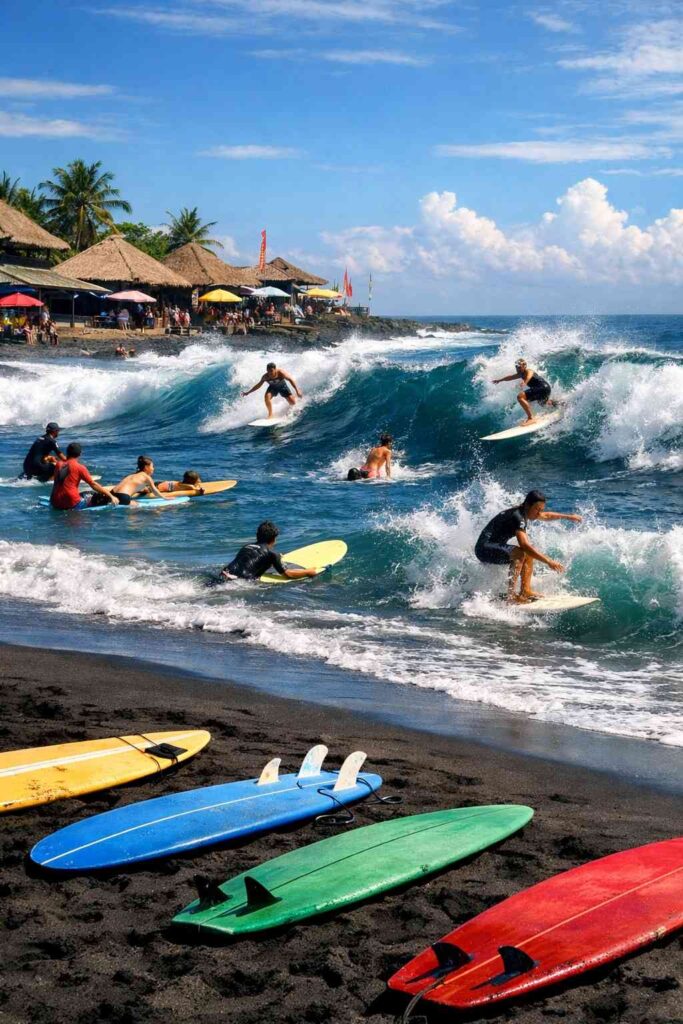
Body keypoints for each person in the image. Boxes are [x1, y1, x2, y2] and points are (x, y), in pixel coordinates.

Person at [474, 489, 582, 603]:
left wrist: (569, 517)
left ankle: (525, 590)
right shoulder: (518, 517)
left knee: (529, 552)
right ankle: (511, 596)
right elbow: (524, 545)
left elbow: (546, 516)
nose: (539, 513)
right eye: (537, 509)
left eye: (541, 509)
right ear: (527, 505)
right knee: (521, 551)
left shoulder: (524, 511)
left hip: (493, 547)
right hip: (483, 549)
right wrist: (549, 561)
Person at [218, 521, 318, 582]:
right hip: (239, 582)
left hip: (224, 574)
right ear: (273, 539)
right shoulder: (272, 553)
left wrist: (273, 561)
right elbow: (288, 575)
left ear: (257, 536)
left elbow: (250, 563)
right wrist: (308, 572)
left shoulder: (246, 546)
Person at [50, 443, 119, 510]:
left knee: (84, 493)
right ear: (80, 454)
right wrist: (111, 496)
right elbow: (93, 484)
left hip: (54, 502)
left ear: (67, 453)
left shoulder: (58, 465)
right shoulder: (80, 467)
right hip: (71, 503)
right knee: (96, 497)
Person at [492, 358, 556, 424]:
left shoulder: (529, 371)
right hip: (545, 389)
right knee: (541, 403)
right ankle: (558, 404)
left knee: (520, 397)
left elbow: (529, 376)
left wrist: (525, 382)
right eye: (516, 367)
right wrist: (499, 380)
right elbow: (510, 377)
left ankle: (531, 418)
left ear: (524, 366)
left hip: (542, 387)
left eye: (519, 367)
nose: (517, 369)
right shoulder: (520, 374)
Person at [103, 456, 175, 506]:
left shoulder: (131, 475)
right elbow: (155, 491)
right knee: (136, 506)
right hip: (123, 497)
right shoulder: (147, 477)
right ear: (146, 467)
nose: (153, 469)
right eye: (152, 466)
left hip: (112, 494)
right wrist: (165, 497)